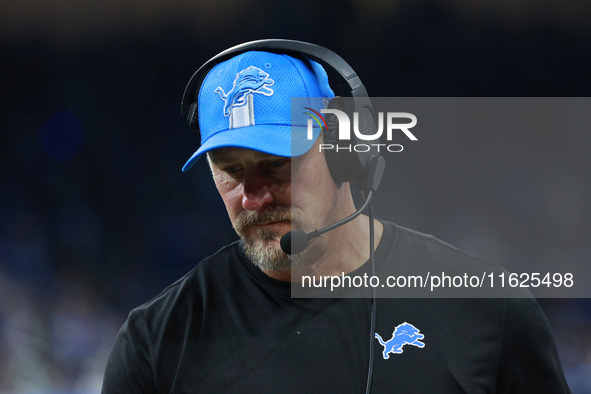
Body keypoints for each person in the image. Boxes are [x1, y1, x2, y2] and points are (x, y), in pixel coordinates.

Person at [102, 41, 570, 393]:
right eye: (230, 172)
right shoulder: (156, 340)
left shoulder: (488, 310)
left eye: (276, 164)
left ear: (346, 150)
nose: (252, 197)